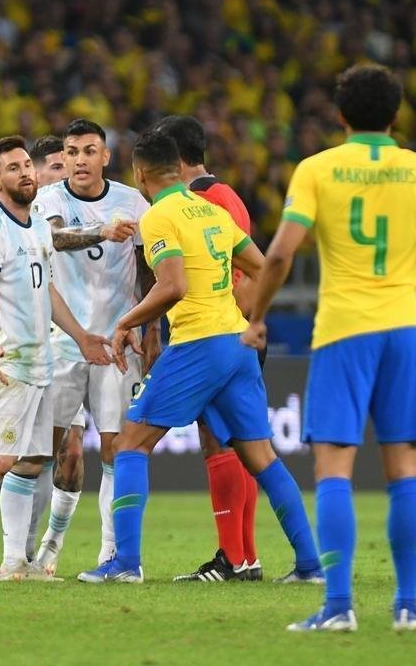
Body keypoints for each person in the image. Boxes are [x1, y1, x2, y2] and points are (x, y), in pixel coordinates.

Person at [246, 64, 416, 632]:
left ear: (341, 115)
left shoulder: (318, 169)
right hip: (404, 328)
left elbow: (278, 256)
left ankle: (338, 606)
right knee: (404, 470)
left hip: (344, 329)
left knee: (334, 470)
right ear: (396, 116)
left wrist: (256, 318)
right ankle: (407, 607)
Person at [78, 131, 321, 586]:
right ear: (177, 168)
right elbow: (264, 265)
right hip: (236, 341)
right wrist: (250, 313)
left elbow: (172, 287)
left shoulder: (158, 218)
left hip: (198, 343)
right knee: (262, 456)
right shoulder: (211, 210)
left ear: (140, 174)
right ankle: (309, 565)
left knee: (130, 444)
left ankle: (125, 564)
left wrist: (125, 322)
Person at [0, 136, 112, 582]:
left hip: (42, 364)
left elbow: (46, 290)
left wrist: (82, 336)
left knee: (33, 461)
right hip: (9, 363)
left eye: (26, 166)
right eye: (13, 168)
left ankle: (17, 562)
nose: (25, 173)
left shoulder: (35, 224)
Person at [30, 119, 150, 575]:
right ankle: (31, 553)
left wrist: (149, 329)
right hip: (63, 341)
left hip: (119, 342)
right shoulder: (50, 198)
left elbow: (148, 268)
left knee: (117, 449)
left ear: (106, 157)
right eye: (72, 151)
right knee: (48, 450)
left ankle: (114, 555)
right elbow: (53, 239)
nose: (79, 160)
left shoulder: (132, 201)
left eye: (89, 151)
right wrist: (102, 232)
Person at [153, 114, 265, 583]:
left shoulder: (203, 202)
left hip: (222, 334)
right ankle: (243, 558)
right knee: (238, 445)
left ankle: (234, 557)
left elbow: (246, 272)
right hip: (237, 332)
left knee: (222, 443)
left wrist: (241, 328)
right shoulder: (226, 197)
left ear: (175, 162)